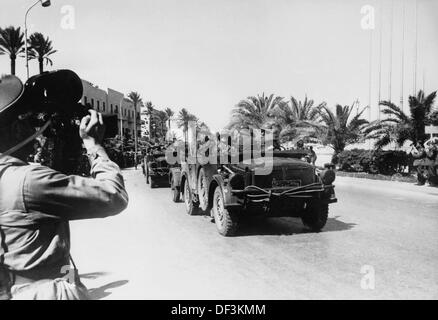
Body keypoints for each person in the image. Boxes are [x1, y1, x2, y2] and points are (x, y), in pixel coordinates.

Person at [0, 73, 129, 300]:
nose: (34, 130)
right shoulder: (29, 181)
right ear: (13, 130)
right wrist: (94, 145)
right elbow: (114, 197)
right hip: (44, 290)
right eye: (28, 122)